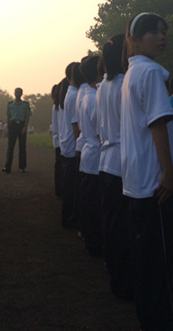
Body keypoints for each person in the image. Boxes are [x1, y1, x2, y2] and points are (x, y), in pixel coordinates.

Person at [120, 12, 173, 331]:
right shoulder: (149, 72)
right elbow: (158, 124)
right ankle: (165, 324)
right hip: (154, 181)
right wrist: (169, 172)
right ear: (133, 41)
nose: (161, 37)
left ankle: (153, 320)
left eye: (163, 31)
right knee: (159, 261)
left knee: (146, 261)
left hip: (138, 180)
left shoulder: (133, 72)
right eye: (153, 33)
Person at [96, 34, 134, 301]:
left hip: (106, 160)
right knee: (125, 226)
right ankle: (124, 282)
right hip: (123, 161)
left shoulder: (103, 86)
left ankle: (114, 273)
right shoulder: (124, 85)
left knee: (112, 222)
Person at [77, 55, 102, 256]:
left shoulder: (87, 95)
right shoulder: (95, 98)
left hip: (89, 154)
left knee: (89, 202)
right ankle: (94, 243)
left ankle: (89, 237)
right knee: (95, 204)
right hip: (96, 156)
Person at [59, 63, 79, 228]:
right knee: (72, 187)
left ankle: (68, 216)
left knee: (70, 185)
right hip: (73, 146)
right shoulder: (73, 95)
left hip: (69, 144)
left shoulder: (70, 93)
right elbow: (75, 126)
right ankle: (69, 217)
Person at [2, 87, 31, 174]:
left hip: (21, 124)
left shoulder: (25, 105)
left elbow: (27, 116)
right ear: (14, 93)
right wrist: (7, 127)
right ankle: (7, 167)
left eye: (19, 92)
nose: (18, 94)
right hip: (13, 125)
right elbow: (8, 117)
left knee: (22, 147)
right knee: (10, 147)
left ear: (22, 94)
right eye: (16, 92)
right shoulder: (10, 104)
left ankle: (22, 167)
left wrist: (25, 127)